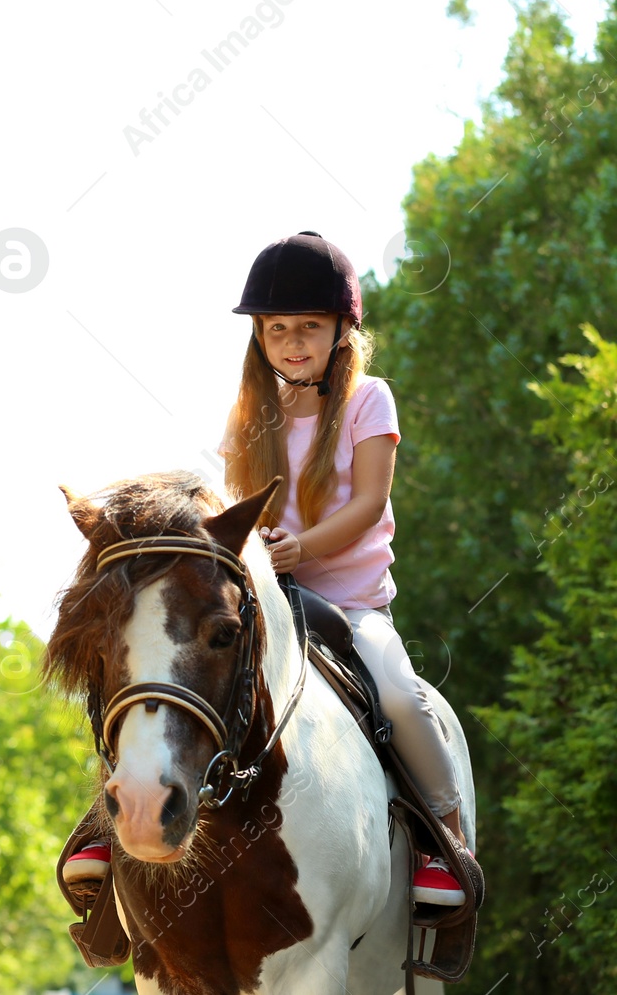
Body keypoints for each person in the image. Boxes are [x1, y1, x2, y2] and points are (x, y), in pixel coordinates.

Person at [62, 231, 474, 908]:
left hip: (352, 605)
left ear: (342, 331)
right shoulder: (248, 415)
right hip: (269, 602)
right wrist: (256, 552)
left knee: (399, 694)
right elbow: (235, 516)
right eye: (276, 328)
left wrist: (300, 548)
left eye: (309, 328)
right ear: (259, 334)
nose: (292, 343)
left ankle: (444, 839)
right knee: (163, 675)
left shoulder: (370, 401)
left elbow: (370, 502)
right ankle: (107, 827)